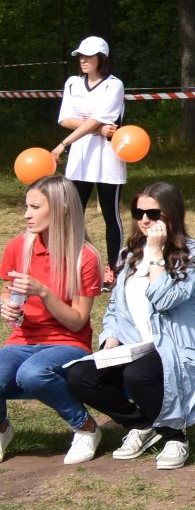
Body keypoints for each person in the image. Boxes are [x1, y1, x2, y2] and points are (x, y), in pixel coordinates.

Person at [65, 181, 195, 471]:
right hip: (133, 347)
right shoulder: (129, 255)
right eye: (138, 212)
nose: (144, 220)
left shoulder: (193, 252)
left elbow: (165, 299)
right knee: (79, 375)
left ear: (171, 214)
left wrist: (155, 254)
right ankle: (140, 424)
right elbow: (115, 307)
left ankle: (175, 436)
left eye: (152, 213)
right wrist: (110, 338)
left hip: (176, 347)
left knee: (137, 375)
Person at [0, 175, 105, 464]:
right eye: (27, 207)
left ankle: (85, 427)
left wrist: (44, 292)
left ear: (60, 209)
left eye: (34, 207)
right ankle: (2, 429)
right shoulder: (17, 248)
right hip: (23, 339)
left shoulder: (85, 256)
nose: (26, 215)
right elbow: (9, 295)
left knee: (32, 374)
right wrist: (6, 306)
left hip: (68, 343)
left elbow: (77, 322)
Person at [52, 35, 127, 255]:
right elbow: (65, 119)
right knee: (73, 214)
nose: (83, 60)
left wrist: (63, 144)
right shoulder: (73, 83)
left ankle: (114, 268)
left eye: (88, 56)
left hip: (108, 157)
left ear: (101, 58)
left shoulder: (114, 85)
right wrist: (99, 129)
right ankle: (73, 263)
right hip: (80, 157)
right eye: (80, 56)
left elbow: (100, 118)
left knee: (110, 215)